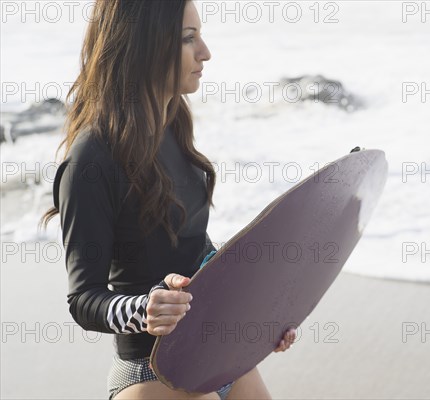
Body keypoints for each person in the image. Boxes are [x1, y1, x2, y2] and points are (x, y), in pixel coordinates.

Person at [38, 1, 296, 399]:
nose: (205, 52)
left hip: (217, 348)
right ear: (144, 45)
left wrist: (259, 316)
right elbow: (83, 300)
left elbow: (193, 247)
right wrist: (146, 309)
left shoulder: (172, 122)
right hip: (151, 367)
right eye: (188, 39)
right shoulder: (92, 158)